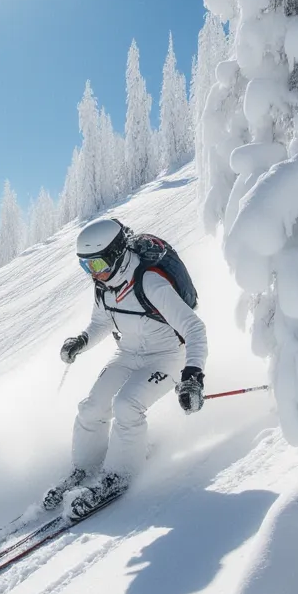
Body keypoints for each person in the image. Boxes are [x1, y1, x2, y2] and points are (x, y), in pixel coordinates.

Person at [44, 217, 207, 517]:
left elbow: (194, 329)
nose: (95, 273)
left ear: (117, 253)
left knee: (127, 406)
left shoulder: (150, 282)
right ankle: (85, 468)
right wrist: (81, 341)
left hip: (166, 355)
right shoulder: (104, 286)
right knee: (91, 407)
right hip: (128, 352)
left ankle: (119, 474)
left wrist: (193, 376)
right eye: (87, 266)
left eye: (98, 264)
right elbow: (102, 321)